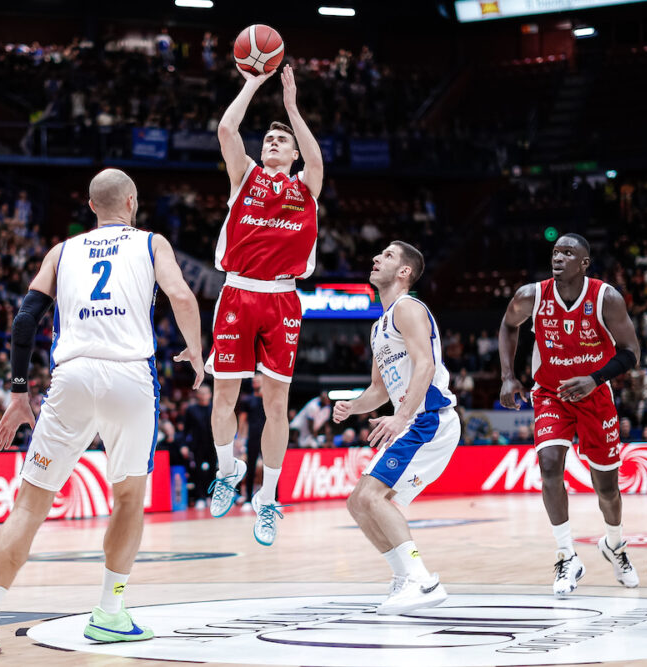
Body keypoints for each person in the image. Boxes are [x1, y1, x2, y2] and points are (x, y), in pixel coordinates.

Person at [0, 168, 204, 660]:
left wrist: (17, 392)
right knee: (129, 496)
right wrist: (196, 353)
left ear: (91, 207)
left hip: (69, 378)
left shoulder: (62, 250)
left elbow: (26, 318)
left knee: (29, 506)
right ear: (131, 202)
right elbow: (180, 295)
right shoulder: (152, 243)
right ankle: (110, 613)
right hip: (129, 377)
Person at [205, 63, 323, 546]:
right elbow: (227, 129)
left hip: (282, 298)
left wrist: (292, 108)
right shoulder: (245, 177)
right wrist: (254, 81)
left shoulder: (304, 188)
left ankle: (268, 498)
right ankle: (225, 472)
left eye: (282, 141)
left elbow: (317, 162)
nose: (273, 144)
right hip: (237, 291)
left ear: (294, 153)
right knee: (225, 396)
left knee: (277, 404)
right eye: (269, 140)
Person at [499, 232, 641, 597]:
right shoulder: (531, 295)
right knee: (549, 466)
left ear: (584, 263)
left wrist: (595, 378)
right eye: (555, 252)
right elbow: (507, 326)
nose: (558, 257)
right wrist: (508, 376)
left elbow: (631, 353)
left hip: (595, 394)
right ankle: (566, 554)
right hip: (551, 393)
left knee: (606, 486)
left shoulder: (605, 298)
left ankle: (615, 545)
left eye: (567, 252)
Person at [333, 241, 460, 615]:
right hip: (415, 421)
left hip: (428, 420)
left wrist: (401, 416)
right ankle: (405, 577)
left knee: (372, 497)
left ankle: (422, 579)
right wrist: (352, 407)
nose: (376, 258)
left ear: (404, 272)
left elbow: (425, 366)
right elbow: (378, 389)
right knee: (359, 502)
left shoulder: (408, 307)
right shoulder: (379, 326)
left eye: (388, 256)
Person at [237, 374, 267, 505]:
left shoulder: (269, 398)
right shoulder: (247, 400)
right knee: (251, 466)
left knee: (270, 467)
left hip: (267, 437)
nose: (255, 382)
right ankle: (249, 498)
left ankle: (272, 497)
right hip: (253, 437)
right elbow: (242, 420)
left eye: (258, 380)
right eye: (254, 380)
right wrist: (239, 437)